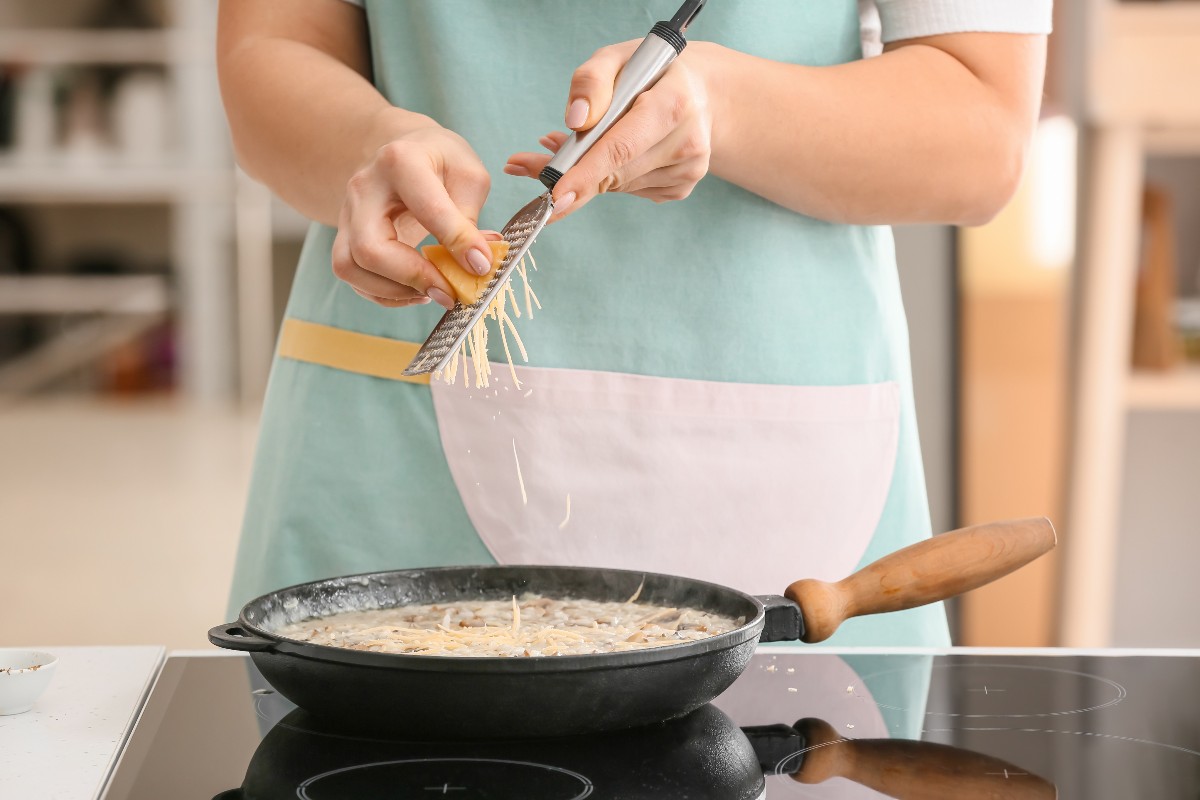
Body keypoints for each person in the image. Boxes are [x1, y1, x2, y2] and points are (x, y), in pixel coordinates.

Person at [217, 0, 1051, 644]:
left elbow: (982, 127)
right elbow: (271, 47)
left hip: (777, 460)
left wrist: (727, 107)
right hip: (397, 470)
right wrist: (371, 143)